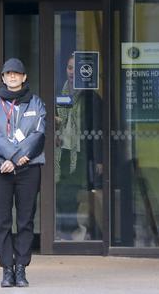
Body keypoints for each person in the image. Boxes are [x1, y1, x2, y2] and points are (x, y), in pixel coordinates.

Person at [0, 58, 46, 288]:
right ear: (2, 77)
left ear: (24, 77)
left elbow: (37, 135)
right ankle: (7, 269)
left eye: (16, 73)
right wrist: (11, 158)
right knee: (2, 221)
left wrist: (17, 160)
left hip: (28, 169)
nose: (12, 76)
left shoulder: (36, 104)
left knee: (26, 220)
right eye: (8, 73)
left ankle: (21, 269)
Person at [54, 53, 103, 241]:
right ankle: (71, 229)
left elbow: (99, 130)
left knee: (69, 190)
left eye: (77, 68)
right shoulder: (61, 94)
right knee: (62, 190)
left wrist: (99, 159)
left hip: (83, 154)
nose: (72, 72)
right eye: (69, 68)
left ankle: (74, 230)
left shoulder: (92, 98)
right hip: (63, 153)